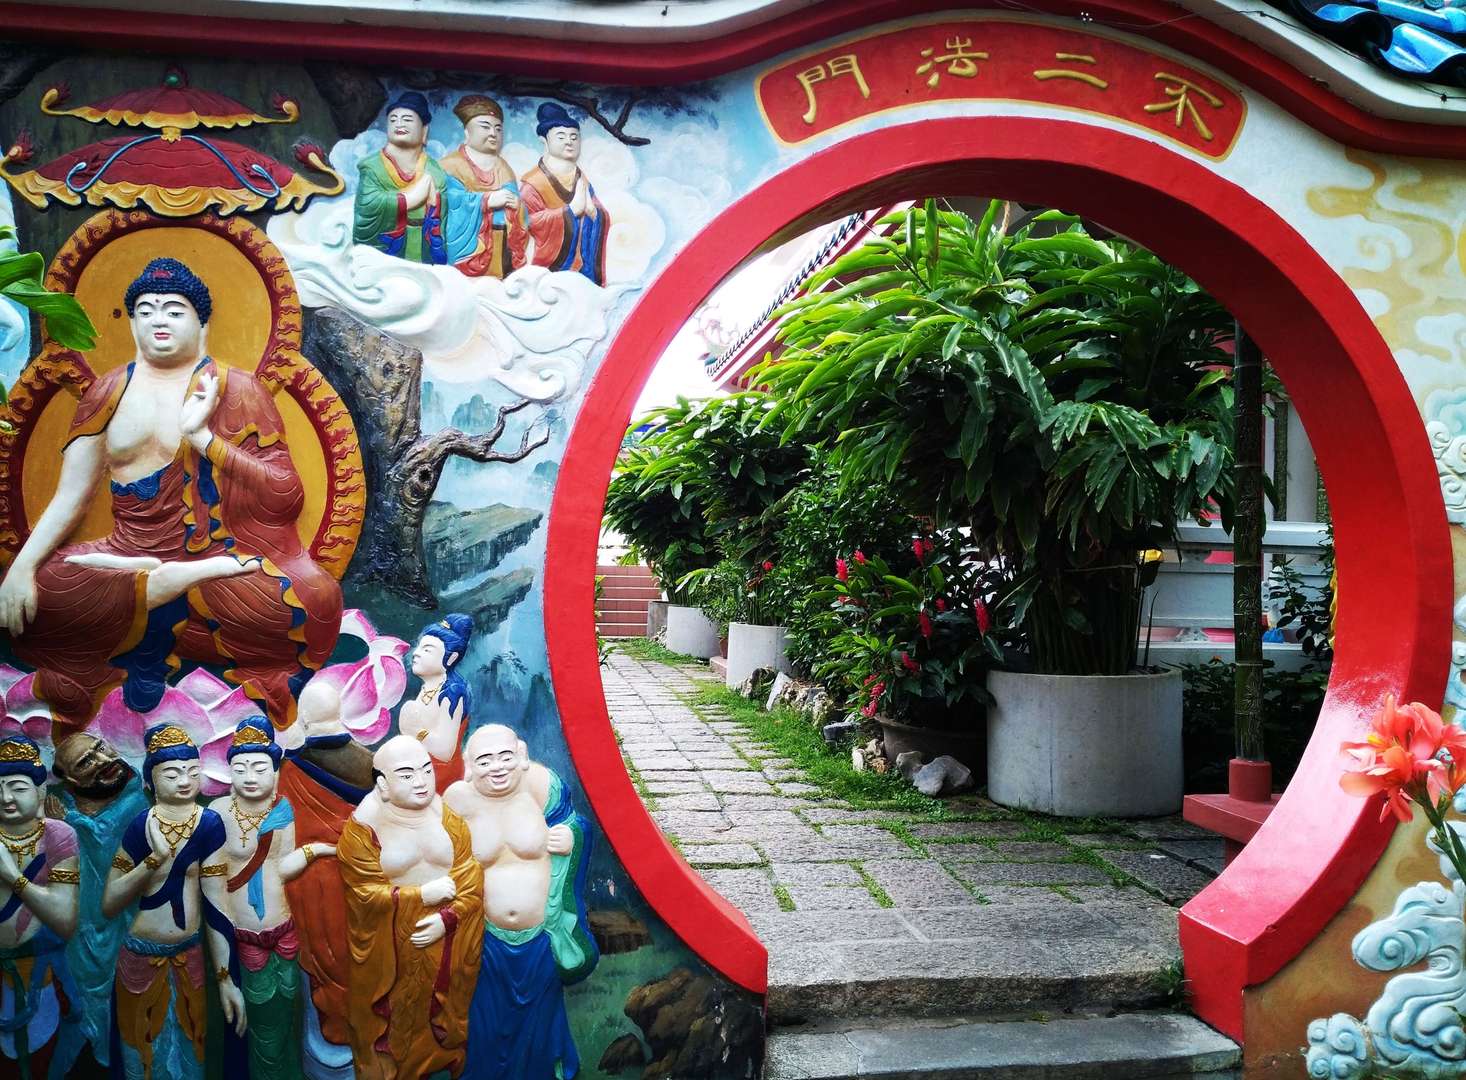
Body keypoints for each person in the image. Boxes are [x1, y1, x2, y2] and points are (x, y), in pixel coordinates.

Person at [0, 257, 343, 736]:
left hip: (222, 556)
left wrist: (207, 442)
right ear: (132, 320)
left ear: (202, 322)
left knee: (318, 597)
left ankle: (156, 612)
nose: (159, 319)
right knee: (44, 590)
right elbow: (70, 497)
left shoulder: (238, 390)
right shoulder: (107, 392)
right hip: (124, 553)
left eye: (174, 309)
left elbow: (285, 495)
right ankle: (164, 594)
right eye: (146, 309)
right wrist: (20, 569)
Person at [445, 724, 597, 1080]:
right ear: (468, 766)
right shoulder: (458, 800)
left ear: (523, 756)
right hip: (484, 938)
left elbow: (578, 826)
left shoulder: (543, 788)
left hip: (538, 938)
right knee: (483, 1022)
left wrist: (573, 837)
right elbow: (438, 854)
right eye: (484, 761)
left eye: (505, 757)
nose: (497, 767)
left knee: (540, 1025)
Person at [103, 723, 246, 1080]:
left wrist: (226, 978)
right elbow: (110, 902)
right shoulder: (140, 826)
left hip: (189, 956)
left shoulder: (209, 823)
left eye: (192, 772)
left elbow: (216, 906)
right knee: (139, 1059)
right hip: (138, 954)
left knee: (190, 1054)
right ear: (150, 782)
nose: (184, 780)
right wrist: (154, 860)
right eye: (172, 773)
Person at [336, 735, 482, 1080]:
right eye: (407, 774)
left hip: (445, 949)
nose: (421, 781)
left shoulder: (448, 818)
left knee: (439, 1034)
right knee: (389, 1040)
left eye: (426, 770)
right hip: (390, 956)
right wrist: (418, 897)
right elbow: (362, 894)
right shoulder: (363, 829)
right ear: (383, 784)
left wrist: (447, 920)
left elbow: (471, 881)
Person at [211, 717, 329, 1080]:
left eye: (260, 767)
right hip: (244, 935)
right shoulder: (216, 814)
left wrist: (321, 850)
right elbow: (213, 892)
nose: (250, 776)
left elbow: (283, 866)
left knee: (286, 1018)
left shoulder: (284, 810)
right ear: (228, 769)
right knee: (260, 1028)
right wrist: (222, 973)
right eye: (240, 767)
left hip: (285, 931)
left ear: (275, 770)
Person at [276, 678, 372, 1075]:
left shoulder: (291, 770)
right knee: (359, 958)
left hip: (311, 882)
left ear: (307, 720)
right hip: (361, 878)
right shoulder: (372, 763)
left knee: (324, 961)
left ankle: (334, 1035)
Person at [46, 731, 148, 1069]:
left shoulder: (137, 801)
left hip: (126, 931)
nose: (103, 761)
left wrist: (69, 823)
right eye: (87, 761)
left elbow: (107, 848)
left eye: (101, 748)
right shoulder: (58, 803)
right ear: (71, 779)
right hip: (76, 935)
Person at [0, 735, 82, 1079]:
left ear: (41, 793)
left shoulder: (58, 836)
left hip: (42, 972)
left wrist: (11, 875)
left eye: (17, 787)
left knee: (43, 1059)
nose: (5, 798)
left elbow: (64, 920)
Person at [353, 92, 454, 264]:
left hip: (423, 248)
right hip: (388, 250)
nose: (399, 123)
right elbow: (365, 210)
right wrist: (408, 200)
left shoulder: (435, 171)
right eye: (393, 120)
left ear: (424, 130)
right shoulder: (372, 167)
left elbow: (442, 222)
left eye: (407, 119)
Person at [520, 102, 610, 285]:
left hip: (583, 270)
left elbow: (597, 211)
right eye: (561, 137)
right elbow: (525, 222)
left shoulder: (580, 178)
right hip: (552, 267)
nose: (569, 141)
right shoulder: (533, 182)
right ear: (544, 141)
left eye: (574, 137)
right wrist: (568, 212)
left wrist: (595, 213)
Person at [439, 95, 528, 278]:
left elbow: (517, 205)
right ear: (467, 132)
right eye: (485, 127)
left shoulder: (503, 167)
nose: (493, 134)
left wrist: (516, 206)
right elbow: (448, 202)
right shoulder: (451, 165)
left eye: (498, 129)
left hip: (501, 245)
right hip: (469, 250)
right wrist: (487, 200)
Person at [397, 614, 473, 795]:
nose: (416, 653)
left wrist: (417, 731)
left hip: (440, 775)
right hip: (419, 768)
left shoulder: (452, 692)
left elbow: (445, 751)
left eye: (427, 650)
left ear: (452, 657)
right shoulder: (429, 687)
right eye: (419, 647)